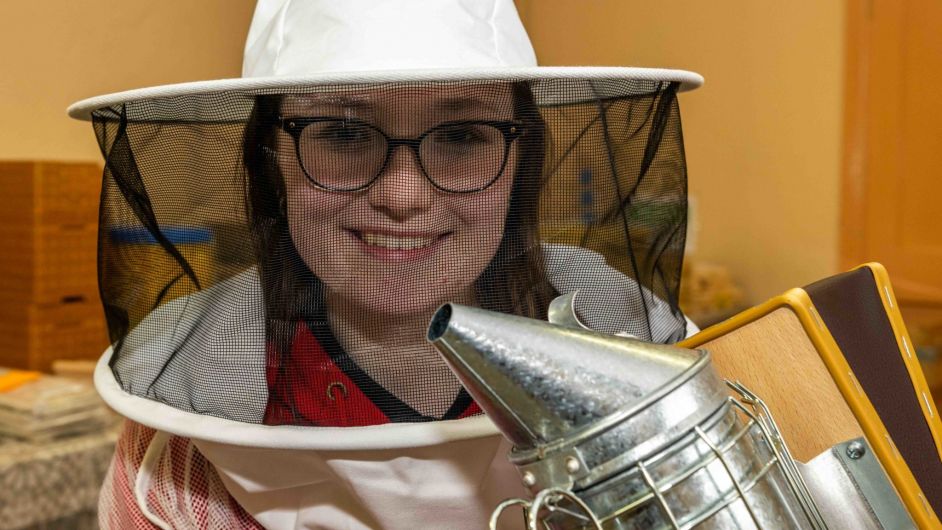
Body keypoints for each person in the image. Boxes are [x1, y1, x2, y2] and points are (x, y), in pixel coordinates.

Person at [69, 0, 702, 528]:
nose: (401, 196)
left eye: (461, 137)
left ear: (520, 164)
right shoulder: (184, 437)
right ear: (272, 162)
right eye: (344, 134)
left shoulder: (622, 345)